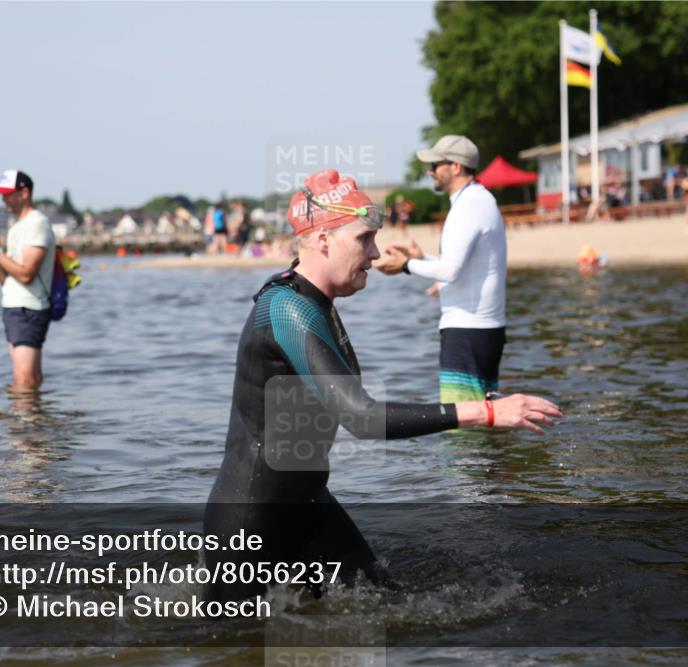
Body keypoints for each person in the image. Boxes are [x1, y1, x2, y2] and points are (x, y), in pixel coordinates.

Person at [203, 169, 561, 603]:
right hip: (252, 522)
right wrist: (486, 413)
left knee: (388, 605)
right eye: (364, 240)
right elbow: (363, 418)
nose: (375, 253)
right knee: (233, 646)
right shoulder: (288, 311)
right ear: (323, 241)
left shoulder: (318, 304)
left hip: (310, 505)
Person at [375, 135, 507, 403]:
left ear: (456, 167)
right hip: (481, 329)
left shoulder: (469, 205)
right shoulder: (476, 200)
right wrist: (423, 257)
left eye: (435, 165)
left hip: (467, 330)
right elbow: (462, 266)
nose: (430, 171)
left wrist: (405, 265)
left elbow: (451, 272)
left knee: (462, 430)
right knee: (481, 418)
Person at [0, 170, 56, 390]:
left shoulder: (36, 223)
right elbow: (7, 280)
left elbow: (26, 274)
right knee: (27, 379)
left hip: (29, 308)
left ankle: (26, 423)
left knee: (25, 380)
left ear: (24, 193)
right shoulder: (17, 227)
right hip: (15, 307)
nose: (3, 199)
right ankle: (30, 421)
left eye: (8, 193)